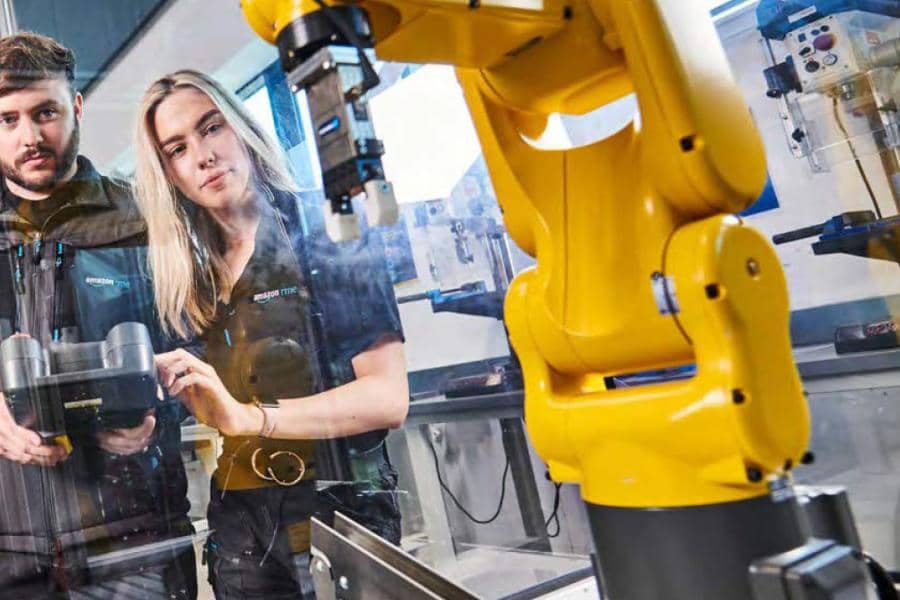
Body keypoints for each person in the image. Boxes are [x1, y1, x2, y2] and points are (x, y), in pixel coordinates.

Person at [133, 69, 408, 599]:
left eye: (211, 128)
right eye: (177, 149)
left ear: (241, 128)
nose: (203, 155)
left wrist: (249, 418)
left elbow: (387, 397)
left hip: (341, 506)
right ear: (168, 174)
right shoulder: (181, 278)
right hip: (240, 526)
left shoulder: (328, 227)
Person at [0, 33, 196, 598]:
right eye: (8, 119)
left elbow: (201, 349)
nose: (30, 137)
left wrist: (152, 410)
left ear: (76, 107)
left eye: (46, 113)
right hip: (9, 554)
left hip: (132, 547)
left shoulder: (143, 217)